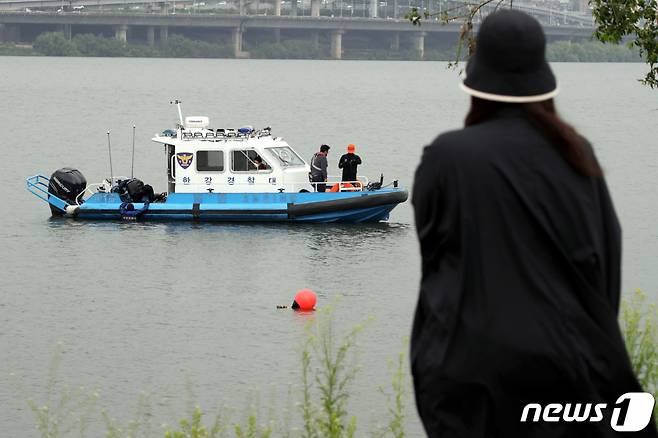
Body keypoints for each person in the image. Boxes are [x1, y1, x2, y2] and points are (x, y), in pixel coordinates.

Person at [411, 10, 657, 438]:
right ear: (542, 79)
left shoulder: (447, 157)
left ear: (475, 82)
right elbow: (605, 267)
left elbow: (436, 268)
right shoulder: (578, 153)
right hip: (575, 376)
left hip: (473, 384)